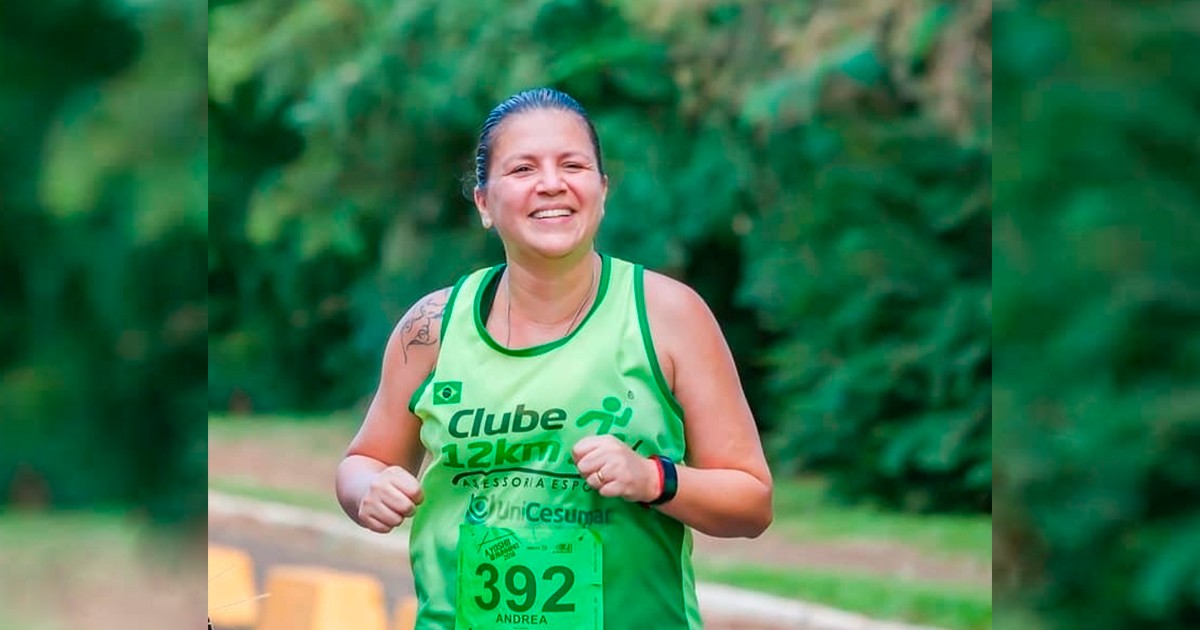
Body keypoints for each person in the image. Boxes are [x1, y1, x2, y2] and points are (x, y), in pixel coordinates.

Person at [336, 87, 773, 630]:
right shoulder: (432, 327)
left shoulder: (669, 315)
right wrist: (369, 492)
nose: (551, 183)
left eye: (573, 164)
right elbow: (362, 463)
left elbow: (751, 502)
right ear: (483, 203)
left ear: (602, 190)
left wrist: (653, 478)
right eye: (522, 168)